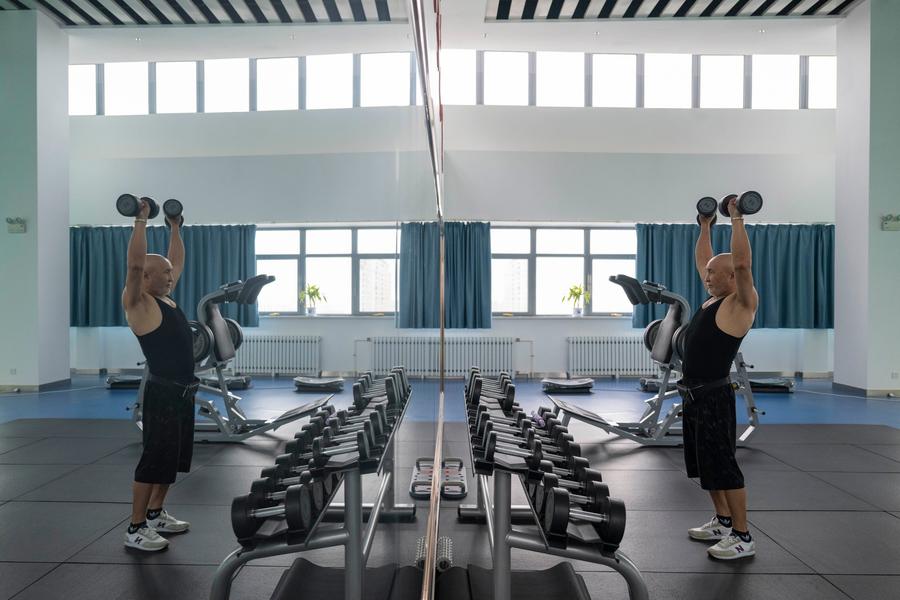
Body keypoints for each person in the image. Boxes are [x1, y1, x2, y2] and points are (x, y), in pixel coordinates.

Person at [679, 197, 758, 560]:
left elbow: (741, 263)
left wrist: (737, 217)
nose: (706, 277)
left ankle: (742, 536)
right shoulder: (713, 297)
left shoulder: (740, 303)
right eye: (707, 273)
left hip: (714, 397)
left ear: (732, 278)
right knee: (706, 466)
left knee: (724, 467)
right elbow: (703, 259)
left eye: (714, 273)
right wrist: (705, 226)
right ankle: (723, 522)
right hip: (693, 395)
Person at [122, 199, 195, 551]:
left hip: (184, 391)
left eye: (169, 273)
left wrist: (175, 227)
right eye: (163, 273)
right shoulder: (139, 302)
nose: (170, 276)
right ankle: (135, 528)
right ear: (145, 278)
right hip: (162, 393)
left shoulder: (165, 297)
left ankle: (155, 514)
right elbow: (135, 264)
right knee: (153, 460)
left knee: (172, 459)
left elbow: (176, 260)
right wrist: (141, 220)